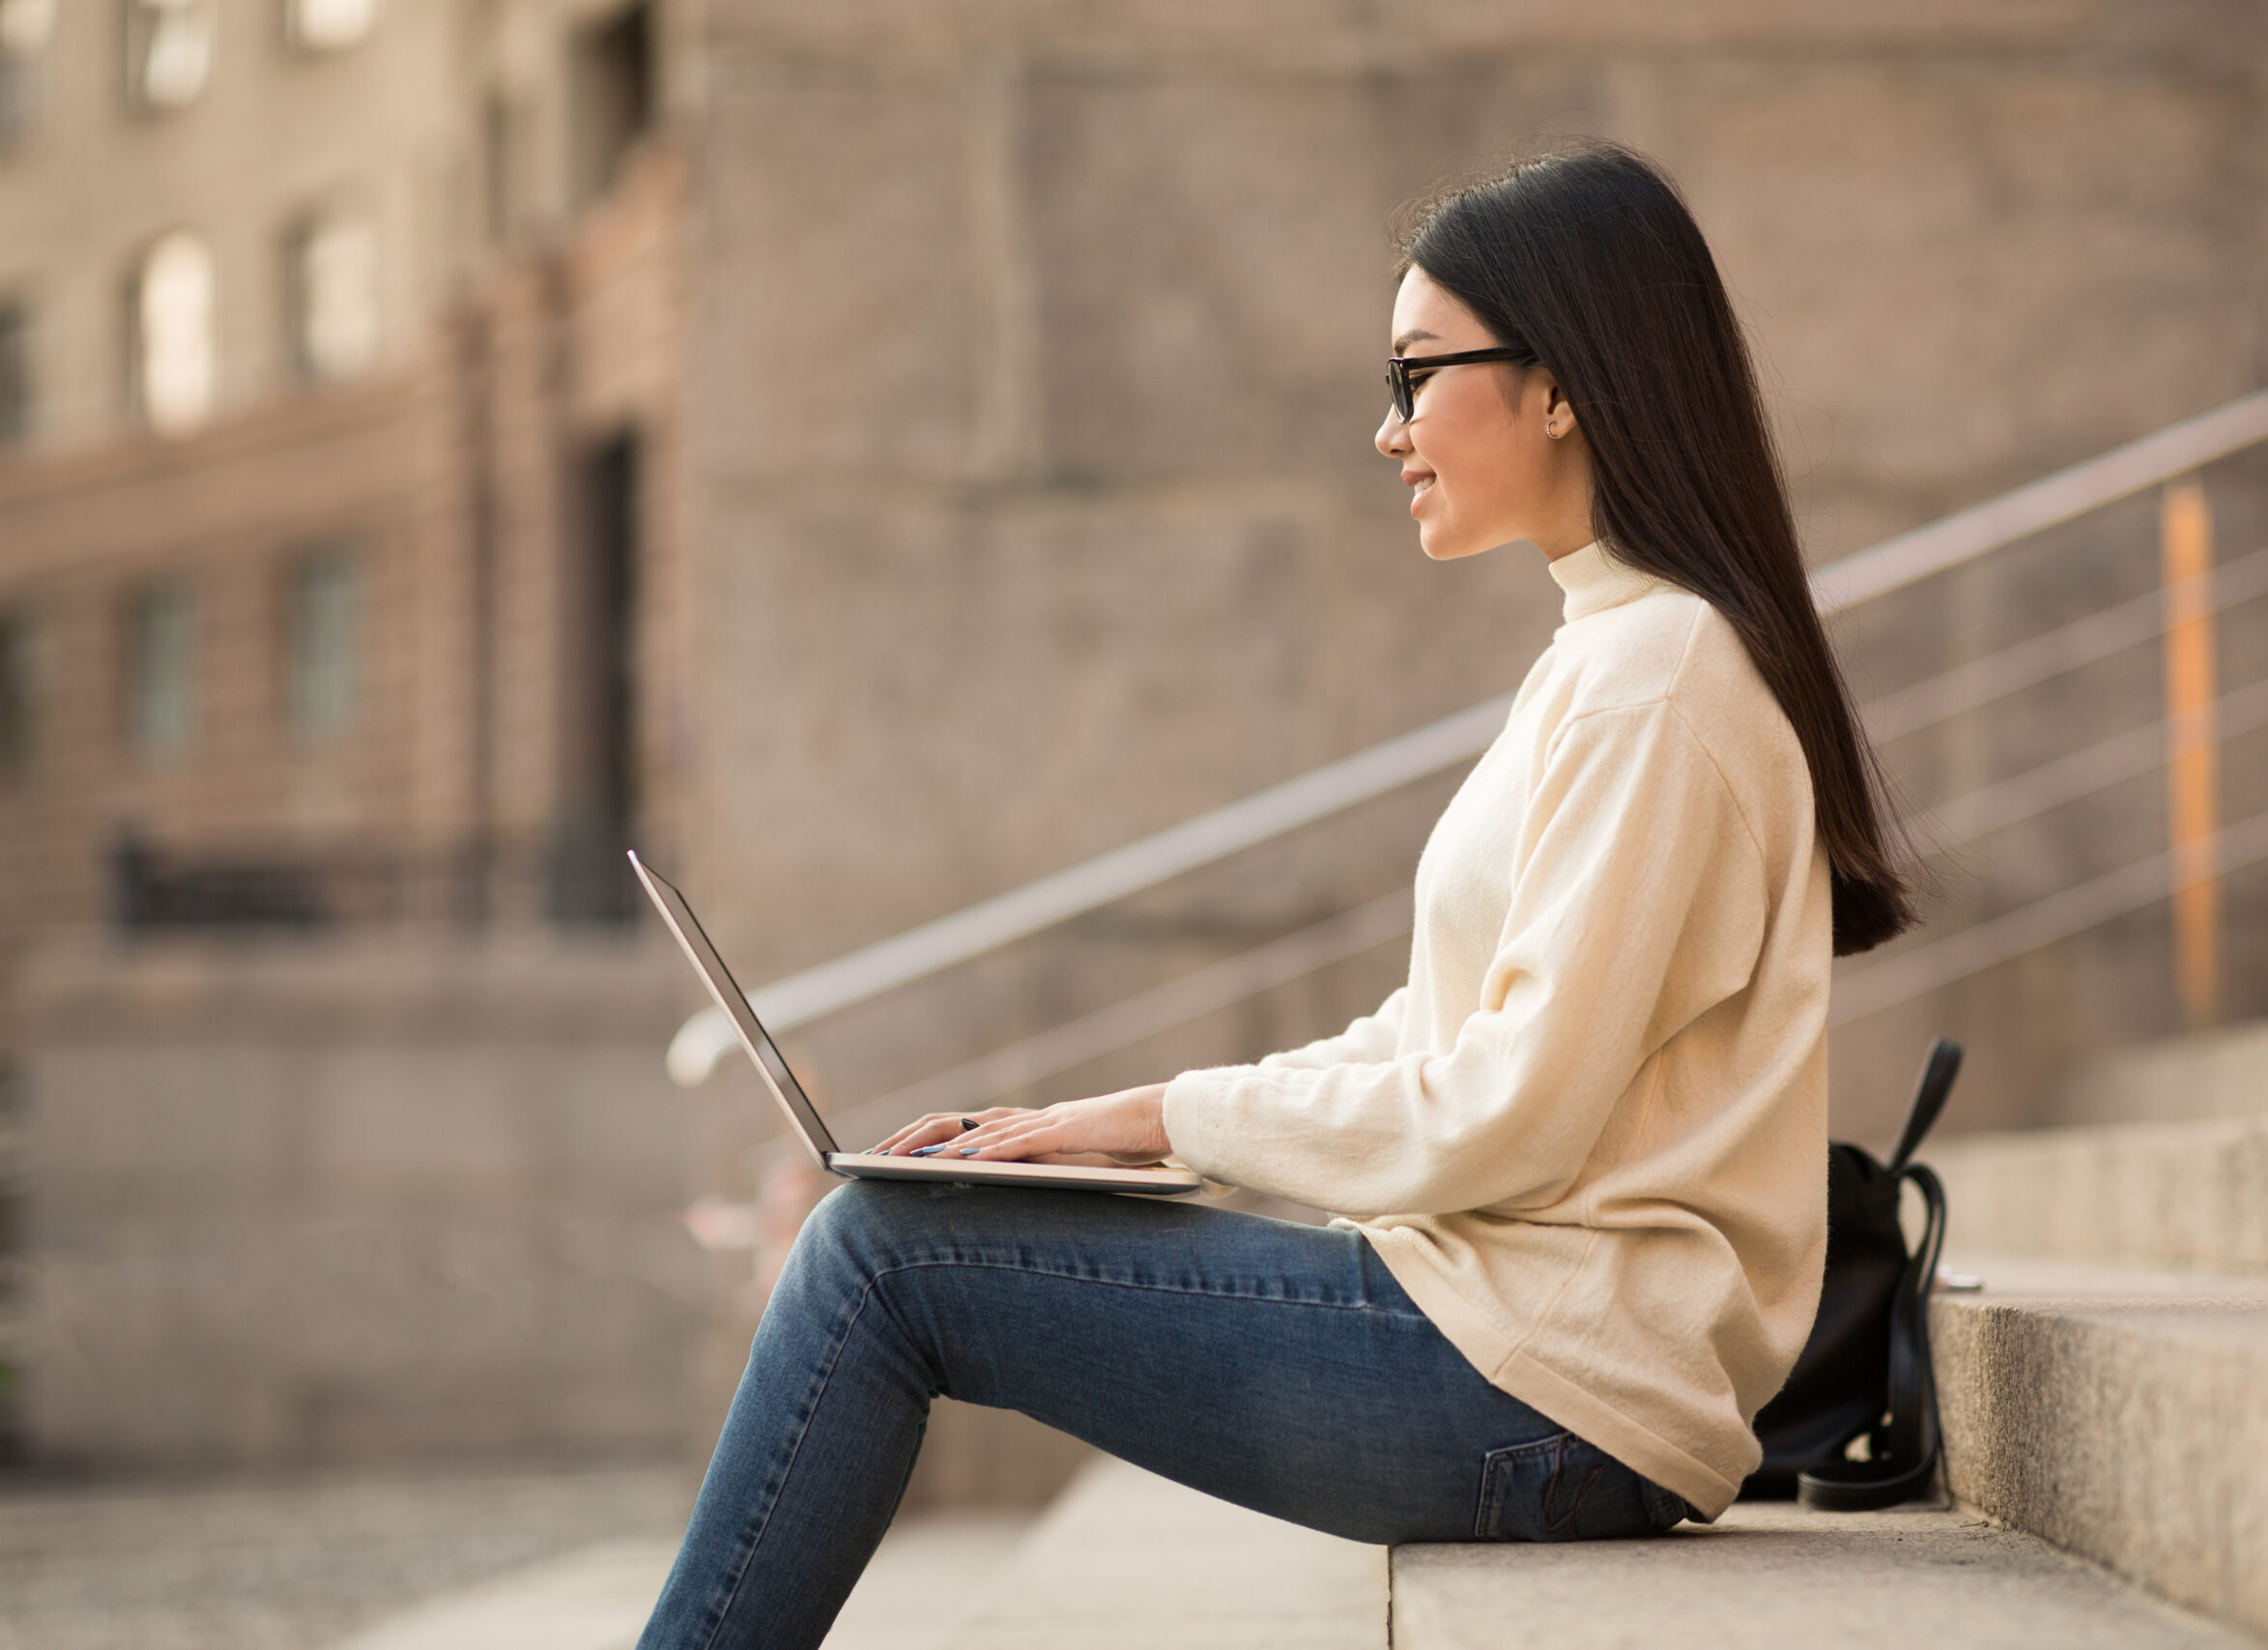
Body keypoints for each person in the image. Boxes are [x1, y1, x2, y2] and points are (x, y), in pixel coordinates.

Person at [635, 141, 1915, 1649]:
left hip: (1554, 1391)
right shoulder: (1608, 653)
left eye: (1416, 376)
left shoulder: (1657, 678)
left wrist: (1168, 1123)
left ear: (1563, 384)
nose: (1388, 432)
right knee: (904, 1231)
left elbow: (1511, 1104)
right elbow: (1434, 1035)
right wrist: (1123, 1123)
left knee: (880, 1257)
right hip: (1513, 1350)